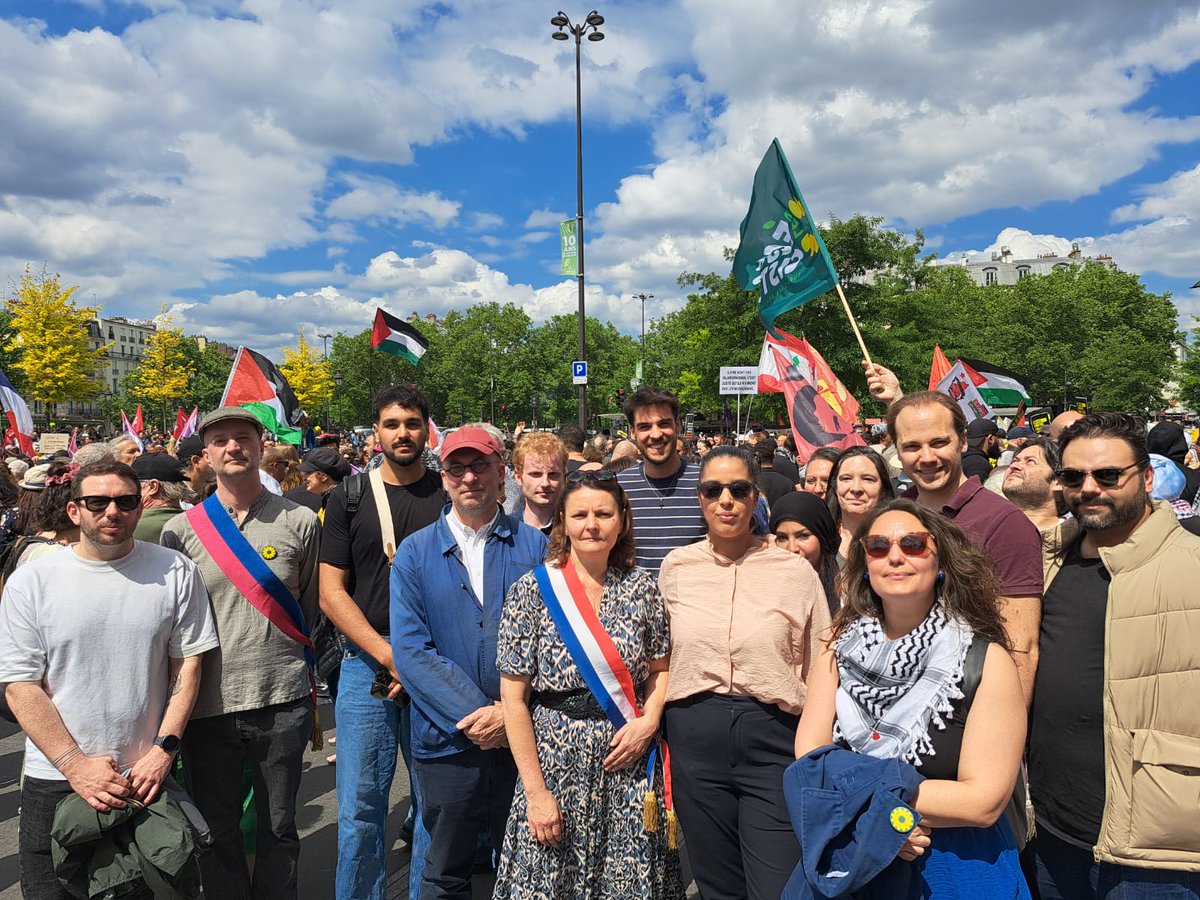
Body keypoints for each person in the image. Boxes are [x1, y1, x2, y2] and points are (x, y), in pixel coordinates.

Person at [0, 459, 218, 900]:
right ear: (75, 510)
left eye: (125, 501)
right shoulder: (32, 582)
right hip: (56, 777)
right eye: (96, 501)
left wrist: (164, 750)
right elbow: (21, 686)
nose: (111, 511)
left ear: (141, 506)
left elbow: (188, 666)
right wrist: (76, 766)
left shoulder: (176, 571)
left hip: (145, 777)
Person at [794, 498, 1029, 897]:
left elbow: (982, 801)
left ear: (941, 564)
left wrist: (874, 809)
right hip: (854, 855)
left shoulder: (985, 660)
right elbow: (809, 760)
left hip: (954, 865)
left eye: (914, 544)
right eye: (879, 547)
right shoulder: (836, 648)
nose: (896, 557)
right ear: (865, 566)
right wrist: (882, 823)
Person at [1030, 413, 1200, 898]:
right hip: (1054, 835)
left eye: (1108, 475)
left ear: (1147, 478)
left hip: (1161, 853)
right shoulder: (1045, 561)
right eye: (1072, 476)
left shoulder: (1193, 566)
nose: (1089, 488)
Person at [493, 469, 682, 899]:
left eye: (603, 513)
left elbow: (659, 669)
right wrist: (536, 793)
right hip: (556, 761)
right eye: (579, 514)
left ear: (622, 521)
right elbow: (514, 699)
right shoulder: (532, 591)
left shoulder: (643, 589)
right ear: (562, 522)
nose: (591, 525)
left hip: (629, 755)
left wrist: (649, 721)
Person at [160, 407, 321, 900]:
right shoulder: (181, 531)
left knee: (279, 830)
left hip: (283, 700)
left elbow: (310, 609)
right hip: (207, 706)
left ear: (260, 444)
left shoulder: (299, 521)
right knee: (217, 832)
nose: (234, 448)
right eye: (222, 440)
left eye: (243, 437)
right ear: (205, 454)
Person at [659, 446, 831, 900]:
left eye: (738, 489)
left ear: (756, 497)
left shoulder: (793, 571)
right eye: (713, 490)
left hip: (772, 737)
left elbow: (820, 661)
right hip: (695, 733)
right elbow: (658, 657)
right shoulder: (676, 567)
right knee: (718, 884)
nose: (726, 500)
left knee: (777, 883)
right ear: (700, 498)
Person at [390, 427, 548, 899]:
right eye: (456, 468)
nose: (469, 477)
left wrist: (511, 715)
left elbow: (552, 643)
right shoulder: (414, 554)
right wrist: (482, 715)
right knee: (446, 870)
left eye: (480, 465)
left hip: (523, 737)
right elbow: (412, 652)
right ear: (444, 479)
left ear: (502, 472)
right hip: (446, 740)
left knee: (527, 864)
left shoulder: (536, 548)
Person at [319, 385, 446, 900]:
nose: (403, 433)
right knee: (359, 810)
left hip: (437, 664)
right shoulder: (347, 497)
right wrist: (388, 654)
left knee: (434, 806)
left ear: (426, 429)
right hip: (366, 665)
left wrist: (415, 660)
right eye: (392, 424)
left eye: (412, 423)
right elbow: (332, 592)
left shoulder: (448, 494)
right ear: (376, 432)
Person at [884, 391, 1043, 705]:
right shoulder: (894, 516)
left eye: (939, 443)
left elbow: (1021, 646)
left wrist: (1008, 736)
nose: (926, 457)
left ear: (963, 442)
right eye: (912, 446)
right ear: (898, 452)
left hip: (967, 711)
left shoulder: (1005, 522)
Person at [615, 388, 706, 576]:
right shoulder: (616, 488)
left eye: (663, 424)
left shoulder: (708, 484)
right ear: (632, 432)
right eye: (645, 426)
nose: (655, 434)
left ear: (678, 425)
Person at [769, 490, 840, 617]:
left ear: (822, 537)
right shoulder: (764, 593)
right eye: (782, 538)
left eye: (802, 536)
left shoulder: (850, 596)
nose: (792, 548)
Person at [826, 446, 895, 563]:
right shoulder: (819, 539)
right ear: (835, 486)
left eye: (868, 479)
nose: (856, 488)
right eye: (846, 478)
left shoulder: (897, 542)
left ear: (883, 488)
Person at [1002, 438, 1063, 532]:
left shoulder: (1081, 539)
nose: (1014, 466)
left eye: (1030, 461)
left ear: (1058, 482)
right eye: (1015, 460)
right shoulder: (986, 528)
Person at [513, 431, 567, 534]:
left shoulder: (575, 531)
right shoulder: (506, 531)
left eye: (553, 474)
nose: (545, 483)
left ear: (564, 476)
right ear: (518, 476)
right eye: (536, 474)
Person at [132, 453, 193, 543]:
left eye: (132, 485)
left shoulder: (130, 526)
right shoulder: (196, 523)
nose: (128, 491)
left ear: (153, 487)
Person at [288, 445, 350, 515]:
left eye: (308, 473)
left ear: (323, 476)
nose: (304, 477)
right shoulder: (329, 500)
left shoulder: (337, 503)